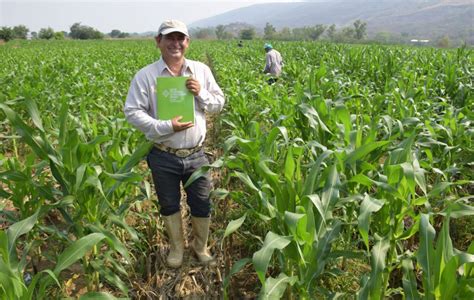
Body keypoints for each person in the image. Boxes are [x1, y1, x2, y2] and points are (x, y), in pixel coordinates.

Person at [124, 19, 225, 268]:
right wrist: (166, 126)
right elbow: (132, 111)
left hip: (197, 154)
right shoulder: (146, 76)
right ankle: (177, 249)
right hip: (163, 154)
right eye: (169, 38)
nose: (175, 43)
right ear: (158, 41)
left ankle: (200, 248)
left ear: (187, 42)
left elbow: (219, 103)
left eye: (180, 38)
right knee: (169, 204)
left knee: (202, 203)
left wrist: (200, 92)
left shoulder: (200, 71)